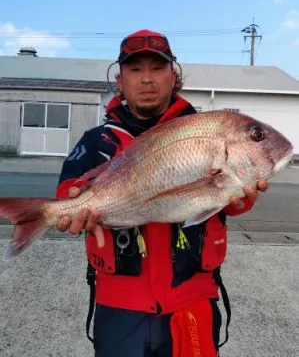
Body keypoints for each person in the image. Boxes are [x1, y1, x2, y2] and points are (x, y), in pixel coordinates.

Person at [55, 29, 268, 357]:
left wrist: (243, 196)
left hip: (193, 300)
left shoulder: (204, 130)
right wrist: (73, 205)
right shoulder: (98, 140)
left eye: (157, 68)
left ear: (173, 76)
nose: (147, 79)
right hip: (119, 306)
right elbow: (69, 190)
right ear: (120, 80)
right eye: (135, 69)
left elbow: (227, 203)